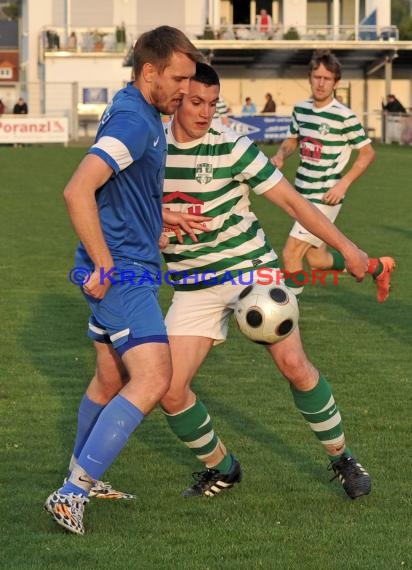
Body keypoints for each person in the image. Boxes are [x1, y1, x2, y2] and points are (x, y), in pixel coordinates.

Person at [159, 62, 372, 501]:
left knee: (293, 364)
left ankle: (342, 458)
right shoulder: (150, 147)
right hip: (193, 282)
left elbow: (293, 203)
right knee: (168, 389)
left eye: (212, 105)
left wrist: (348, 248)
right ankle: (223, 467)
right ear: (176, 97)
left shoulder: (232, 147)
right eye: (196, 102)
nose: (204, 113)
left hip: (251, 270)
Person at [43, 25, 205, 536]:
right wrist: (105, 263)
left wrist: (156, 217)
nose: (185, 90)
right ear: (149, 72)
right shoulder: (137, 123)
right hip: (122, 274)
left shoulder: (134, 107)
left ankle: (82, 480)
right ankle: (70, 494)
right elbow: (78, 190)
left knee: (110, 379)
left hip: (126, 259)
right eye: (178, 79)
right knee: (155, 377)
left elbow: (120, 188)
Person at [272, 50, 395, 301]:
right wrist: (281, 156)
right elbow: (293, 140)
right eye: (316, 77)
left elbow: (367, 153)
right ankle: (378, 267)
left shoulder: (344, 115)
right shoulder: (301, 109)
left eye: (327, 79)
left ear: (336, 82)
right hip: (301, 193)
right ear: (309, 78)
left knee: (291, 253)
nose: (320, 83)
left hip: (325, 196)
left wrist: (343, 184)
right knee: (317, 260)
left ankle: (288, 316)